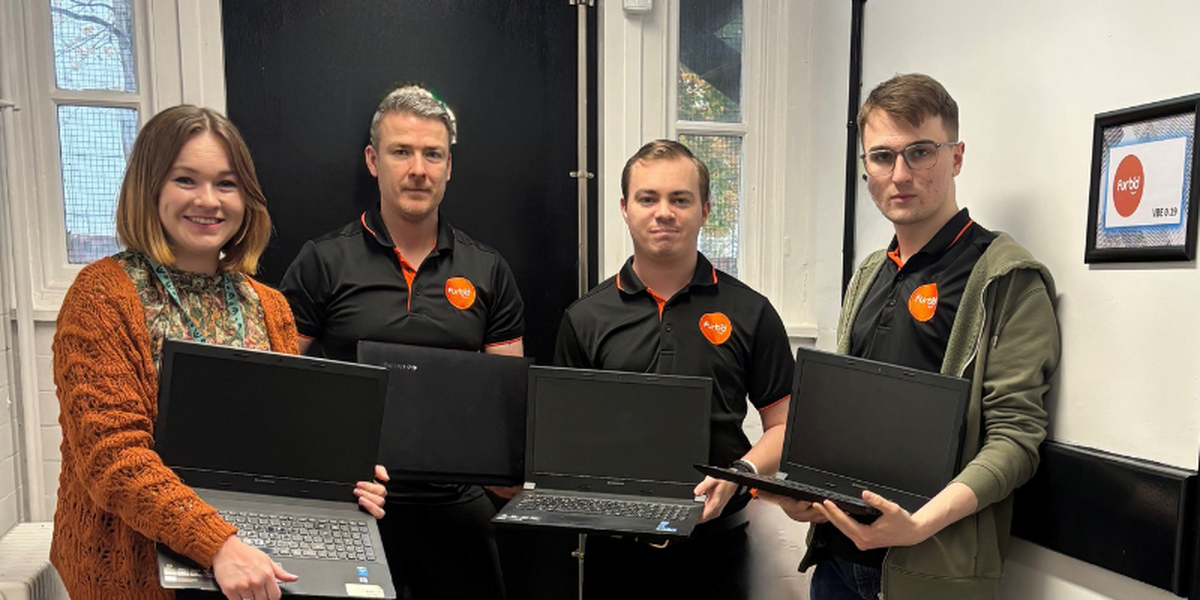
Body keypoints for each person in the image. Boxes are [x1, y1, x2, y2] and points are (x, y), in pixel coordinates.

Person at [50, 105, 388, 600]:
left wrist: (339, 479)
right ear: (151, 188)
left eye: (226, 184)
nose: (208, 201)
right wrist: (217, 544)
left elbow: (280, 441)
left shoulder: (270, 306)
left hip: (252, 559)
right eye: (186, 179)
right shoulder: (101, 295)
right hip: (136, 566)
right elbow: (112, 458)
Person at [760, 73, 1060, 600]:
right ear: (865, 167)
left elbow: (1016, 440)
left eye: (920, 152)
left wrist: (920, 524)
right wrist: (800, 491)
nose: (900, 174)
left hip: (928, 573)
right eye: (881, 156)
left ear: (957, 156)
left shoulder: (1006, 279)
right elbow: (847, 417)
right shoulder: (870, 272)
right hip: (836, 562)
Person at [279, 84, 524, 600]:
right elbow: (283, 385)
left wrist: (507, 476)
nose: (419, 169)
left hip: (456, 504)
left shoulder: (488, 269)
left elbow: (506, 405)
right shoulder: (323, 262)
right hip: (352, 500)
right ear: (373, 160)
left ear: (449, 166)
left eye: (433, 154)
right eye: (401, 152)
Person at [553, 139, 794, 599]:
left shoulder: (752, 312)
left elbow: (786, 426)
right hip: (615, 553)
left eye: (680, 199)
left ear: (704, 210)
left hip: (720, 547)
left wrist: (739, 472)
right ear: (625, 208)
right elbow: (568, 443)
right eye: (648, 198)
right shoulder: (584, 318)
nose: (664, 212)